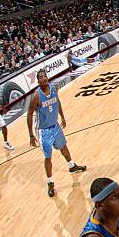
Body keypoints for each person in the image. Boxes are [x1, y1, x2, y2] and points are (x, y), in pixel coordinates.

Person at [27, 69, 86, 197]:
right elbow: (29, 114)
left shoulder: (53, 87)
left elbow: (58, 102)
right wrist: (31, 135)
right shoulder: (36, 96)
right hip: (44, 131)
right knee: (48, 157)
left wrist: (62, 117)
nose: (44, 78)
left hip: (55, 126)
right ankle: (50, 182)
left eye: (45, 76)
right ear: (38, 81)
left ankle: (72, 166)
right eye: (41, 77)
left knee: (63, 146)